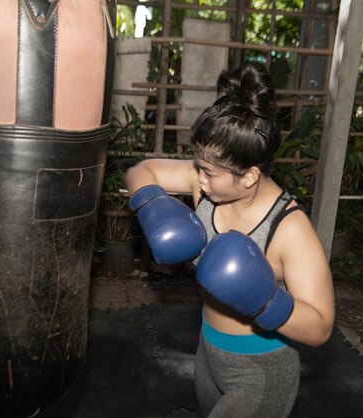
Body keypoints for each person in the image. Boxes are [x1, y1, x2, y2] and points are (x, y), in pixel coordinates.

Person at [125, 62, 335, 418]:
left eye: (209, 171)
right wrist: (153, 205)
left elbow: (320, 328)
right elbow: (140, 171)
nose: (199, 179)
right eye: (198, 165)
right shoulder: (206, 185)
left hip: (261, 372)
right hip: (208, 353)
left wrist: (264, 299)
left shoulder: (290, 230)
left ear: (250, 175)